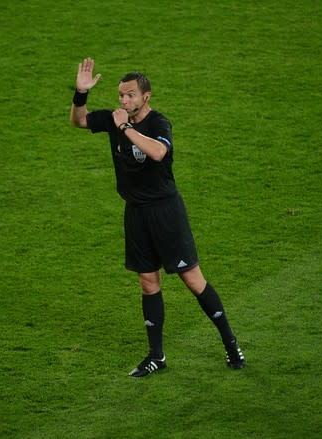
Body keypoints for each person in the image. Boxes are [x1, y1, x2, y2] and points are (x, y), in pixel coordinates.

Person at [69, 58, 245, 377]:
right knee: (148, 283)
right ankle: (156, 356)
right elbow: (78, 122)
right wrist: (80, 95)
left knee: (192, 281)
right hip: (135, 213)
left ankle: (231, 344)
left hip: (166, 213)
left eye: (130, 95)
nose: (123, 101)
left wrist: (124, 127)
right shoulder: (113, 118)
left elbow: (159, 152)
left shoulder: (159, 123)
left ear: (146, 97)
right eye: (121, 95)